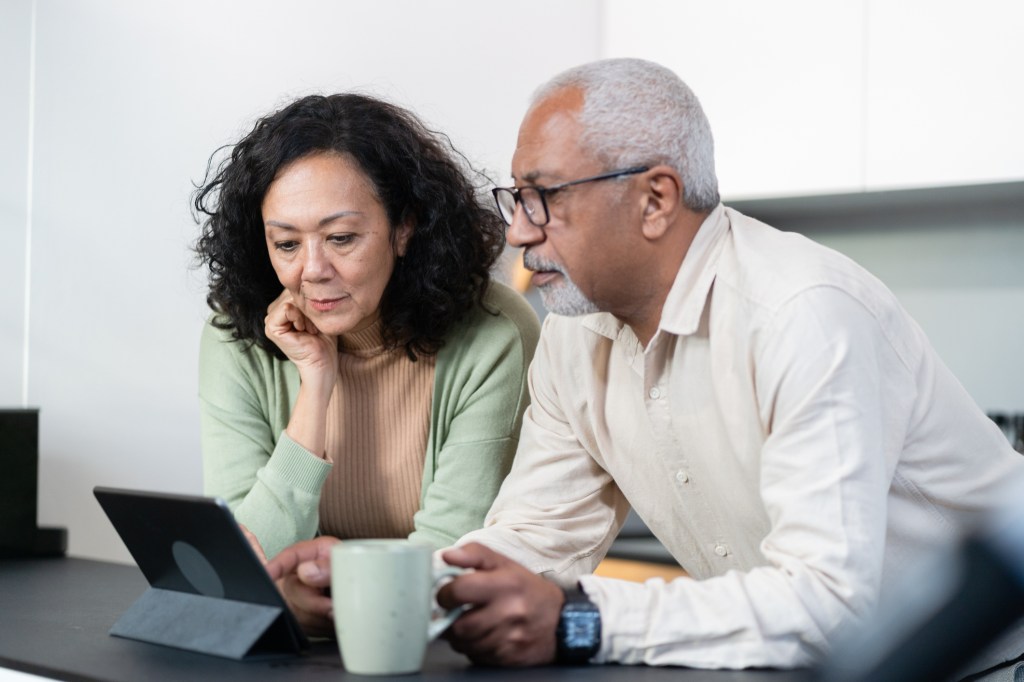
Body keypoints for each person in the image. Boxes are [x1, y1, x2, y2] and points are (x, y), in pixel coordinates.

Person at [266, 59, 1024, 675]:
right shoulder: (573, 333)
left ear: (655, 199)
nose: (519, 232)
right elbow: (536, 535)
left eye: (542, 198)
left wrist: (586, 619)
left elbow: (829, 600)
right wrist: (381, 581)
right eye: (516, 198)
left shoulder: (803, 313)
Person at [192, 93, 541, 629]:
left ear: (404, 229)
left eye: (341, 238)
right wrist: (315, 384)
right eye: (286, 243)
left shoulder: (492, 336)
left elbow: (454, 550)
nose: (312, 270)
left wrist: (308, 593)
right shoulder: (234, 338)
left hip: (433, 639)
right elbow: (243, 560)